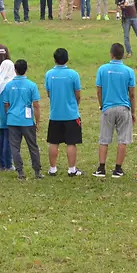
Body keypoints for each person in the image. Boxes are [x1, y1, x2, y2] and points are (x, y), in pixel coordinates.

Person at [94, 43, 136, 179]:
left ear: (111, 54)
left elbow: (99, 90)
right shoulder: (129, 71)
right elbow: (132, 94)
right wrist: (133, 111)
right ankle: (118, 169)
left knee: (104, 139)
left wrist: (102, 105)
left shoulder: (102, 69)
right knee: (123, 139)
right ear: (123, 55)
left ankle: (101, 168)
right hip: (124, 108)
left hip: (108, 107)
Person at [45, 47, 83, 177]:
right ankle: (72, 169)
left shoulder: (49, 74)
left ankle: (52, 168)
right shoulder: (73, 74)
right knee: (71, 142)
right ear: (67, 59)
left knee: (53, 142)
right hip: (71, 114)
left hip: (55, 113)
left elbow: (49, 93)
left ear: (54, 59)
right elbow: (77, 95)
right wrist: (74, 106)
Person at [3, 59, 43, 179]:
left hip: (12, 120)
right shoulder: (31, 85)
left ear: (15, 70)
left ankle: (20, 172)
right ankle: (37, 171)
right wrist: (37, 121)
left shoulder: (8, 85)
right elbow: (36, 105)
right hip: (27, 120)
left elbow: (6, 104)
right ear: (27, 69)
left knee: (15, 147)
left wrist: (10, 114)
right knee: (33, 146)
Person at [0, 60, 17, 173]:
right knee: (8, 140)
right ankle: (8, 164)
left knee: (0, 139)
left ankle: (1, 163)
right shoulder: (10, 84)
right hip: (8, 115)